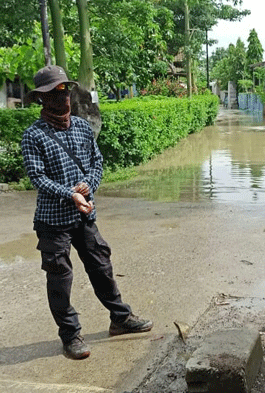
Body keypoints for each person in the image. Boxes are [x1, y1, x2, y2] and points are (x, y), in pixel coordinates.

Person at [21, 65, 153, 360]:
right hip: (53, 221)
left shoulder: (82, 127)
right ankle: (70, 336)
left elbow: (97, 163)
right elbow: (37, 178)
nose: (63, 97)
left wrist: (88, 186)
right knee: (60, 279)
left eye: (65, 89)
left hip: (84, 215)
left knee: (102, 267)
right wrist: (70, 194)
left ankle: (120, 319)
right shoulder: (34, 136)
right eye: (54, 92)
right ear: (42, 98)